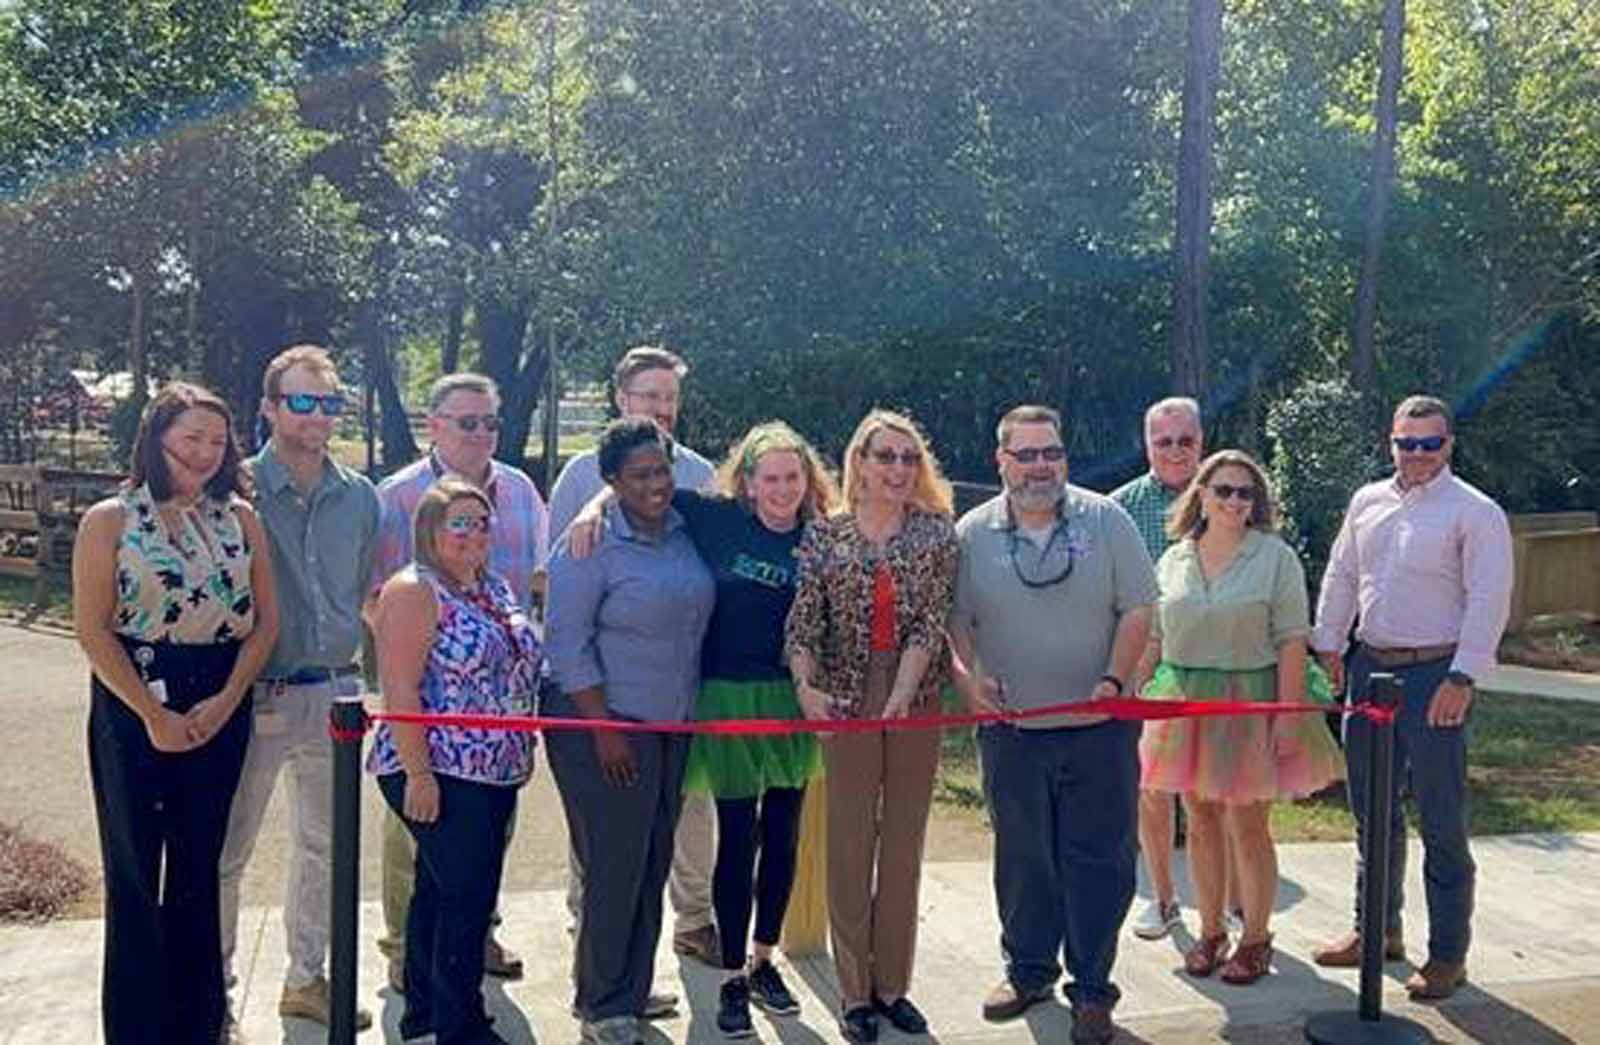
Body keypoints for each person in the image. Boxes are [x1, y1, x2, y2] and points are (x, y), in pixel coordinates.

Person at [567, 421, 839, 1037]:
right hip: (726, 695)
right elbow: (640, 488)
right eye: (769, 477)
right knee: (737, 837)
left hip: (792, 700)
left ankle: (767, 959)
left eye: (792, 477)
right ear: (747, 480)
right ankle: (732, 977)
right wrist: (590, 507)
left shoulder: (821, 537)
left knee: (785, 833)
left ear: (808, 480)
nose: (781, 489)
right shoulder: (714, 517)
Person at [72, 382, 278, 1045]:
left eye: (217, 441)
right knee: (135, 868)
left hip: (221, 692)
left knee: (199, 865)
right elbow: (93, 628)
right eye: (192, 438)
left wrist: (227, 698)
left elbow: (265, 622)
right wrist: (152, 715)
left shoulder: (240, 518)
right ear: (157, 439)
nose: (206, 453)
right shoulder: (110, 518)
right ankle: (135, 1029)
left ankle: (198, 1024)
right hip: (135, 695)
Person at [949, 405, 1156, 1044]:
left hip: (1099, 727)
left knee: (1098, 860)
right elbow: (956, 624)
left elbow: (1139, 609)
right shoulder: (971, 533)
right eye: (1028, 454)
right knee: (1024, 857)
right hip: (1012, 734)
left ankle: (1092, 988)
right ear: (1001, 461)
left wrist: (1115, 682)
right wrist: (969, 682)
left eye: (1052, 453)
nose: (1042, 466)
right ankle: (1028, 970)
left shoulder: (1106, 519)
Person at [1310, 395, 1513, 1000]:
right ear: (1390, 442)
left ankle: (1449, 953)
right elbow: (1343, 573)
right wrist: (1328, 644)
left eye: (1430, 443)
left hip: (1435, 676)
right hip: (1370, 666)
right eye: (1407, 442)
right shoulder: (1367, 501)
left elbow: (1488, 597)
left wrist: (1462, 677)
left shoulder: (1474, 512)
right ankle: (1377, 931)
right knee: (1372, 814)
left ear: (1448, 444)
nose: (1417, 454)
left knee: (1442, 818)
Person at [216, 345, 379, 1036]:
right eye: (302, 400)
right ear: (270, 408)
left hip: (336, 693)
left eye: (329, 401)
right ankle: (211, 986)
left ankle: (305, 976)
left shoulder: (360, 496)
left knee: (324, 846)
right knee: (228, 849)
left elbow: (363, 593)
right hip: (256, 692)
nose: (317, 415)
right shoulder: (237, 491)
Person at [1139, 450, 1345, 986]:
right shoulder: (1173, 558)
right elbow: (1157, 638)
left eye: (1245, 493)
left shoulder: (1274, 558)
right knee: (1201, 821)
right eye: (1224, 490)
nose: (1234, 501)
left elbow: (1292, 642)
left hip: (1252, 699)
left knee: (1248, 824)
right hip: (1185, 701)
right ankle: (1210, 932)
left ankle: (1255, 938)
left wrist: (1285, 716)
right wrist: (1133, 691)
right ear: (1200, 494)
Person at [785, 409, 958, 1044]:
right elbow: (804, 624)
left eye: (908, 458)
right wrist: (807, 689)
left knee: (904, 846)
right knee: (850, 844)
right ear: (859, 461)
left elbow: (929, 622)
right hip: (845, 692)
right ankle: (854, 992)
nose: (897, 469)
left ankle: (893, 988)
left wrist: (905, 694)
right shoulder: (825, 536)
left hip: (915, 691)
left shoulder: (937, 533)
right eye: (885, 456)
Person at [547, 344, 722, 967]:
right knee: (606, 837)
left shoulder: (700, 472)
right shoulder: (579, 475)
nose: (662, 409)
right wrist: (598, 503)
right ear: (622, 399)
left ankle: (692, 918)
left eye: (670, 398)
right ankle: (592, 935)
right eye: (649, 397)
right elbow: (567, 576)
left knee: (683, 817)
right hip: (610, 695)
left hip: (680, 688)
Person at [374, 372, 549, 989]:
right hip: (429, 721)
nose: (481, 434)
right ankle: (406, 956)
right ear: (436, 425)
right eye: (467, 422)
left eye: (490, 423)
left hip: (500, 732)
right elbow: (380, 600)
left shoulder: (523, 491)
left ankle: (474, 940)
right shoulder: (397, 496)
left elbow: (535, 583)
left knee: (479, 857)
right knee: (418, 849)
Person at [1110, 396, 1242, 942]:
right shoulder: (1117, 509)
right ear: (1147, 445)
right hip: (1146, 661)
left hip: (1216, 662)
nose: (1174, 451)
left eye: (1184, 440)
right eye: (1163, 441)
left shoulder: (1230, 498)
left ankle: (1233, 900)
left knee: (1218, 787)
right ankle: (1163, 900)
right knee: (1152, 786)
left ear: (1201, 442)